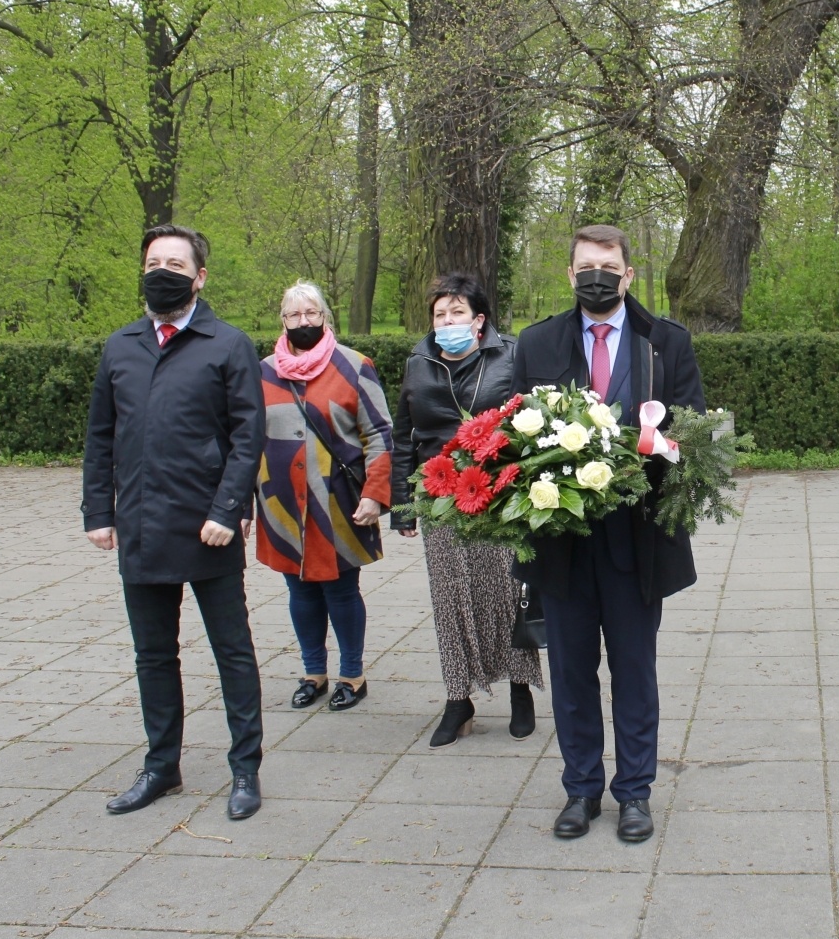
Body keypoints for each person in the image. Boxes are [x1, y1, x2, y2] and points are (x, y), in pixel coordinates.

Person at [510, 224, 706, 843]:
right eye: (586, 267)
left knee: (633, 669)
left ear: (627, 274)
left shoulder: (664, 342)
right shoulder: (537, 342)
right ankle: (581, 790)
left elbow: (695, 431)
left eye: (609, 266)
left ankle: (635, 793)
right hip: (563, 540)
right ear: (571, 276)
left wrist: (660, 452)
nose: (598, 276)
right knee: (569, 672)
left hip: (636, 542)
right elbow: (513, 437)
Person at [82, 224, 267, 820]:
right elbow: (100, 435)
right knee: (153, 655)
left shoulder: (227, 344)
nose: (163, 271)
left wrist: (227, 510)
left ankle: (245, 770)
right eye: (154, 261)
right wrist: (97, 511)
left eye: (176, 263)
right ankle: (162, 766)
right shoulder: (121, 345)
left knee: (231, 651)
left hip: (206, 528)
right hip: (139, 526)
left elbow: (248, 437)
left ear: (199, 276)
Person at [392, 273, 544, 747]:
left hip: (497, 493)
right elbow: (401, 436)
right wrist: (402, 505)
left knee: (505, 593)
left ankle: (521, 688)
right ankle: (459, 698)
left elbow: (532, 424)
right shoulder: (419, 362)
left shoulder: (512, 356)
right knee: (451, 599)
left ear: (478, 320)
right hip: (438, 495)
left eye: (457, 313)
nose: (447, 321)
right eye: (440, 314)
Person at [256, 280, 395, 712]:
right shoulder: (262, 371)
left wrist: (375, 494)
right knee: (299, 592)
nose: (303, 322)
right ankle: (313, 672)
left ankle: (352, 675)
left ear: (325, 316)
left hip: (337, 502)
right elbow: (244, 438)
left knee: (340, 592)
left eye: (311, 314)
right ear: (282, 320)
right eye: (294, 315)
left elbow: (379, 433)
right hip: (280, 504)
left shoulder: (353, 366)